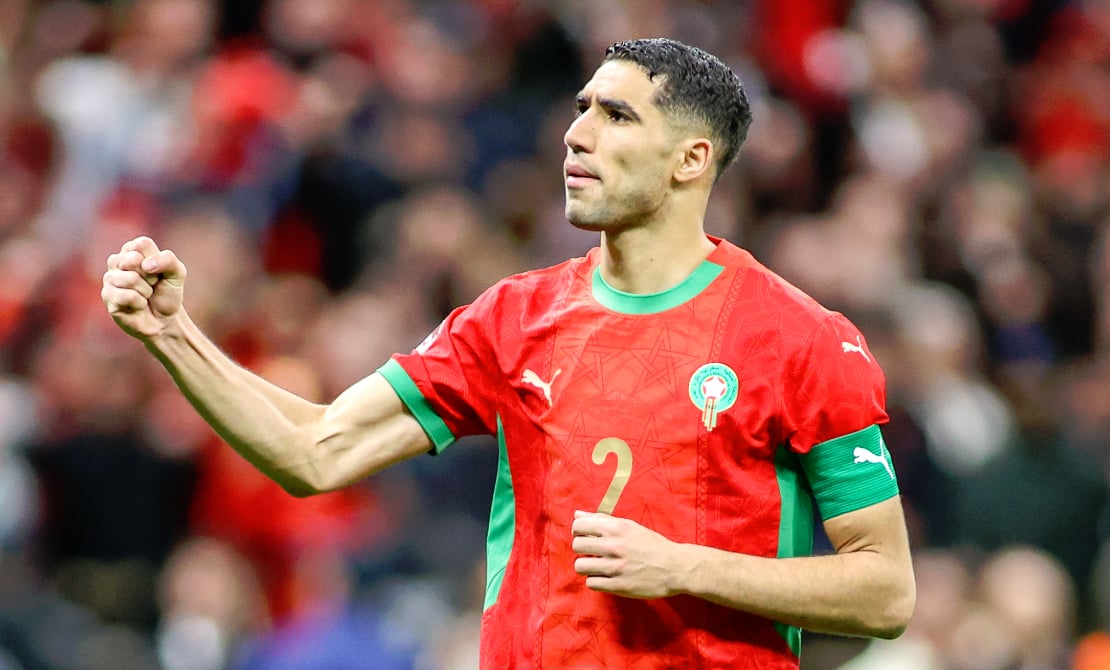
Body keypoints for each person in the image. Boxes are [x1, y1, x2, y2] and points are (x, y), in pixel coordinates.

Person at [102, 38, 915, 669]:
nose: (576, 134)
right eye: (581, 108)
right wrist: (172, 334)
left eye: (617, 116)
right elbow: (315, 452)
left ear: (691, 160)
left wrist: (686, 567)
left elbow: (884, 591)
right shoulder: (513, 319)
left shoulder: (801, 338)